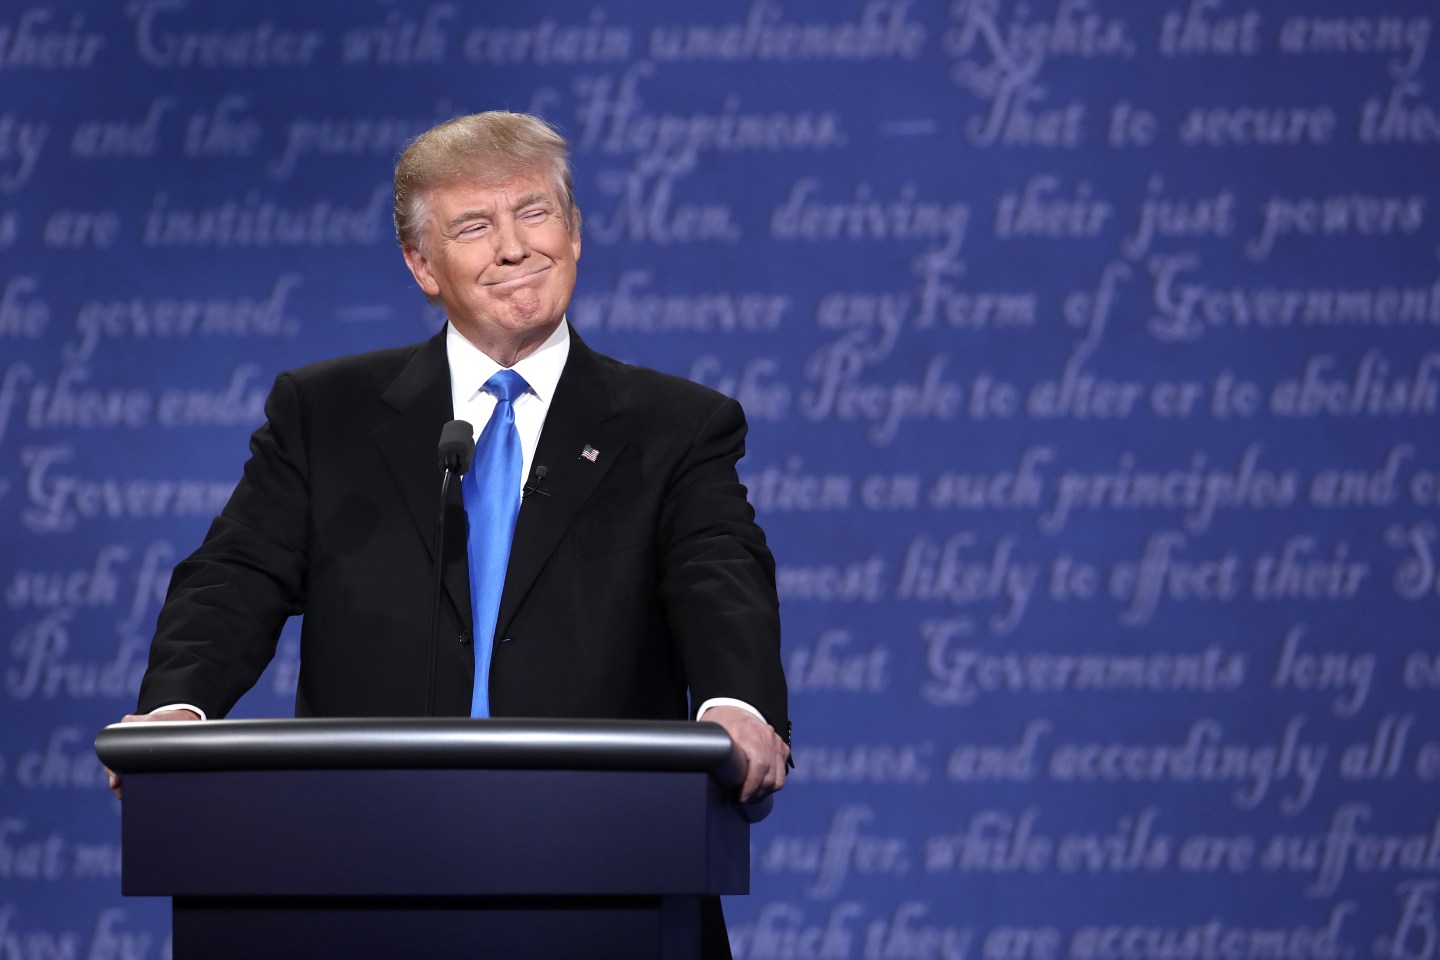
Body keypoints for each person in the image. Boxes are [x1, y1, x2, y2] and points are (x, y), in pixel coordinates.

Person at [111, 111, 790, 954]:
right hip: (355, 871)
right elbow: (236, 575)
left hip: (603, 867)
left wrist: (738, 702)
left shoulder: (677, 426)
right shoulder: (327, 415)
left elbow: (719, 574)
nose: (515, 247)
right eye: (476, 226)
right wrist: (178, 705)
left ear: (575, 234)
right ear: (422, 265)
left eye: (535, 214)